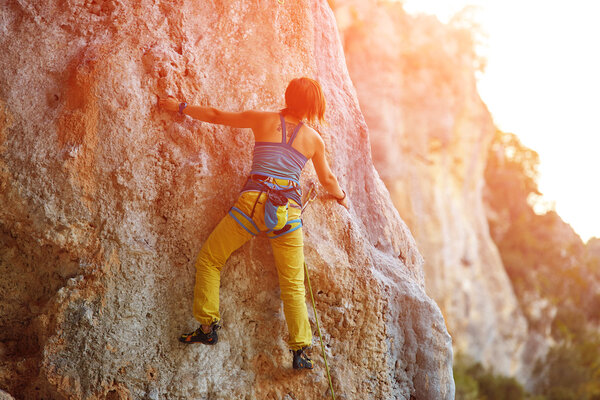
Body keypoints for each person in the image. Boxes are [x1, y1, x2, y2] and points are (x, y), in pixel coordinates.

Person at [158, 77, 348, 370]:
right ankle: (301, 353)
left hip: (253, 204)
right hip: (288, 213)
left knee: (210, 259)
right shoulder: (313, 140)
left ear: (288, 96)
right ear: (314, 106)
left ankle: (208, 328)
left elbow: (216, 116)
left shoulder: (263, 119)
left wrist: (180, 107)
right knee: (293, 284)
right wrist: (342, 197)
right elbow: (328, 180)